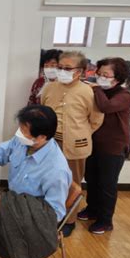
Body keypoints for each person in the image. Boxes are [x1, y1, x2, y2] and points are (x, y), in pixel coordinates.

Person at [0, 105, 72, 258]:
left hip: (24, 220)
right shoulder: (23, 141)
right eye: (20, 128)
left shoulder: (56, 170)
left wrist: (11, 207)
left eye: (23, 131)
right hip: (7, 200)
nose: (19, 133)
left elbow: (52, 214)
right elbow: (2, 153)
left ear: (41, 137)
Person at [41, 51, 104, 237]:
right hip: (48, 144)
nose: (62, 71)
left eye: (67, 68)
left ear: (80, 71)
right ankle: (46, 217)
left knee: (72, 183)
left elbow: (96, 120)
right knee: (47, 181)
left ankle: (69, 220)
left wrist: (79, 134)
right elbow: (43, 112)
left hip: (75, 146)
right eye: (60, 67)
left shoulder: (88, 92)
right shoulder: (49, 88)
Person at [78, 58, 130, 234]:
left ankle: (105, 220)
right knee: (92, 179)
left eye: (105, 75)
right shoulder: (98, 90)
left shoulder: (124, 95)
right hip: (94, 143)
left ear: (117, 77)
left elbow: (106, 107)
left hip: (114, 146)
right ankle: (92, 209)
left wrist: (96, 88)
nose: (100, 77)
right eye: (99, 74)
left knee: (107, 184)